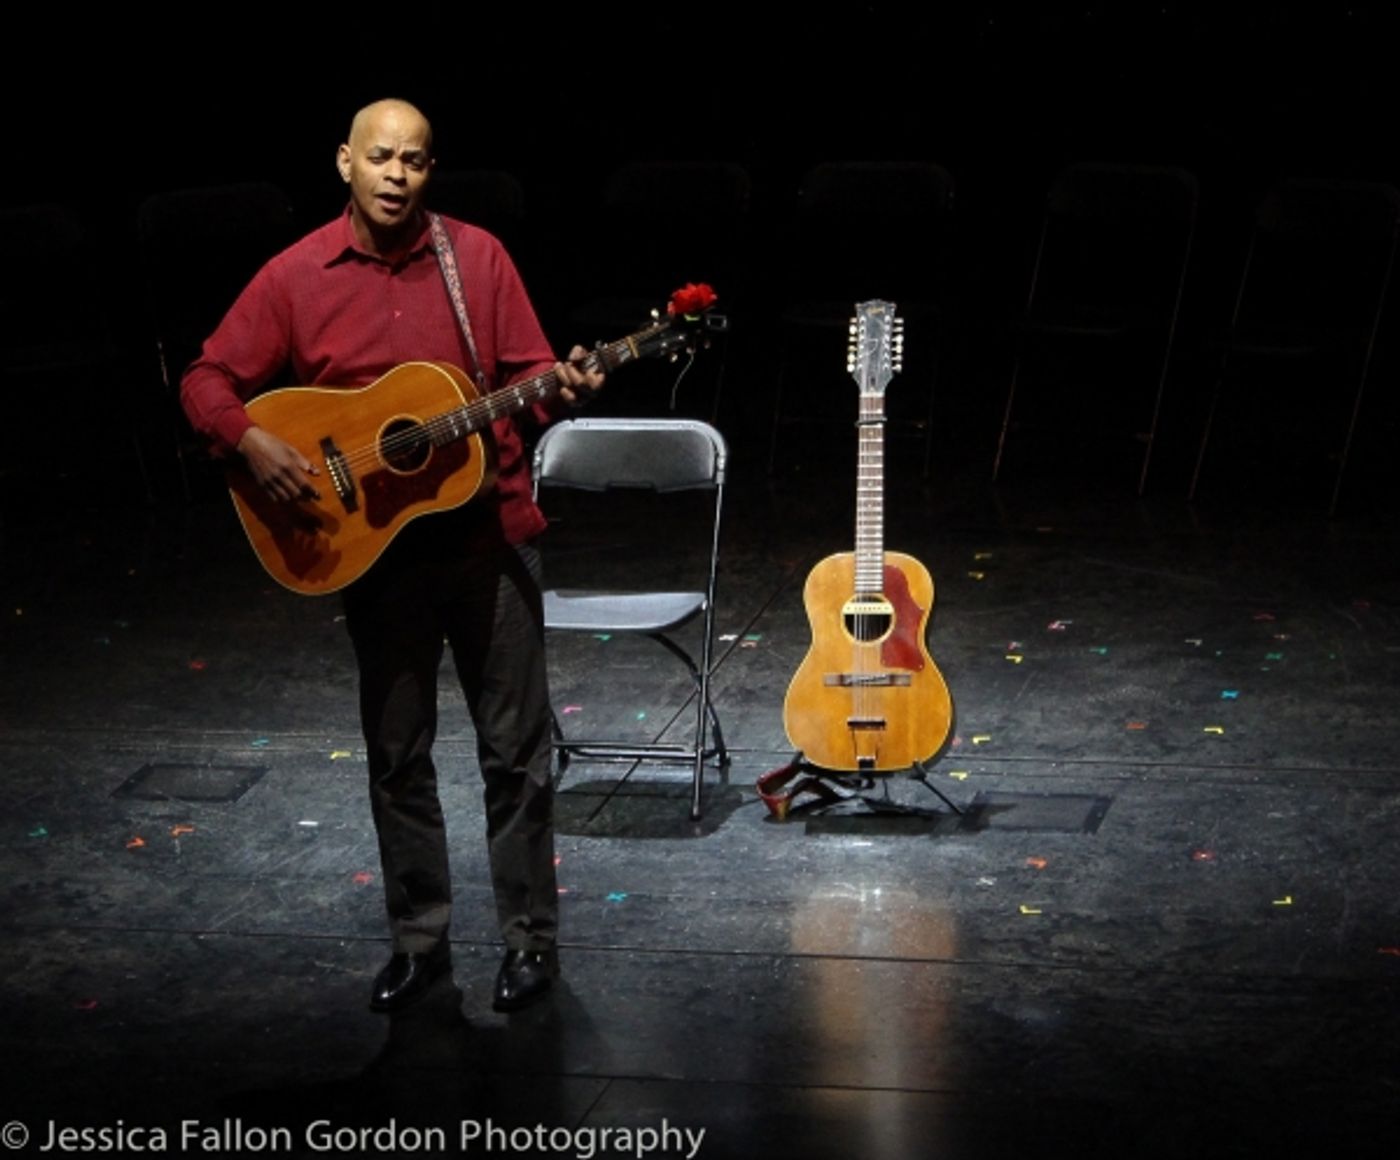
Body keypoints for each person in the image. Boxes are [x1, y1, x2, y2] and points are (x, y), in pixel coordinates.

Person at [180, 98, 603, 1014]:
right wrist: (251, 441)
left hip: (490, 540)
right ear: (344, 162)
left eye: (414, 160)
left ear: (428, 170)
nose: (397, 174)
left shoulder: (476, 258)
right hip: (379, 554)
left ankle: (530, 945)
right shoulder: (296, 276)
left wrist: (558, 389)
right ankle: (420, 942)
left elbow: (529, 383)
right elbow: (206, 378)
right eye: (380, 157)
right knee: (398, 754)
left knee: (517, 756)